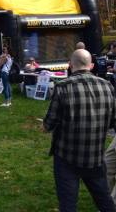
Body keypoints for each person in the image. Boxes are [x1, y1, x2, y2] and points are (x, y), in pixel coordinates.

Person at [43, 49, 116, 212]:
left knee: (68, 204)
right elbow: (113, 122)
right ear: (90, 65)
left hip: (67, 158)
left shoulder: (62, 87)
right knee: (104, 200)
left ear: (70, 65)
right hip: (95, 156)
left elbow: (48, 124)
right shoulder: (107, 86)